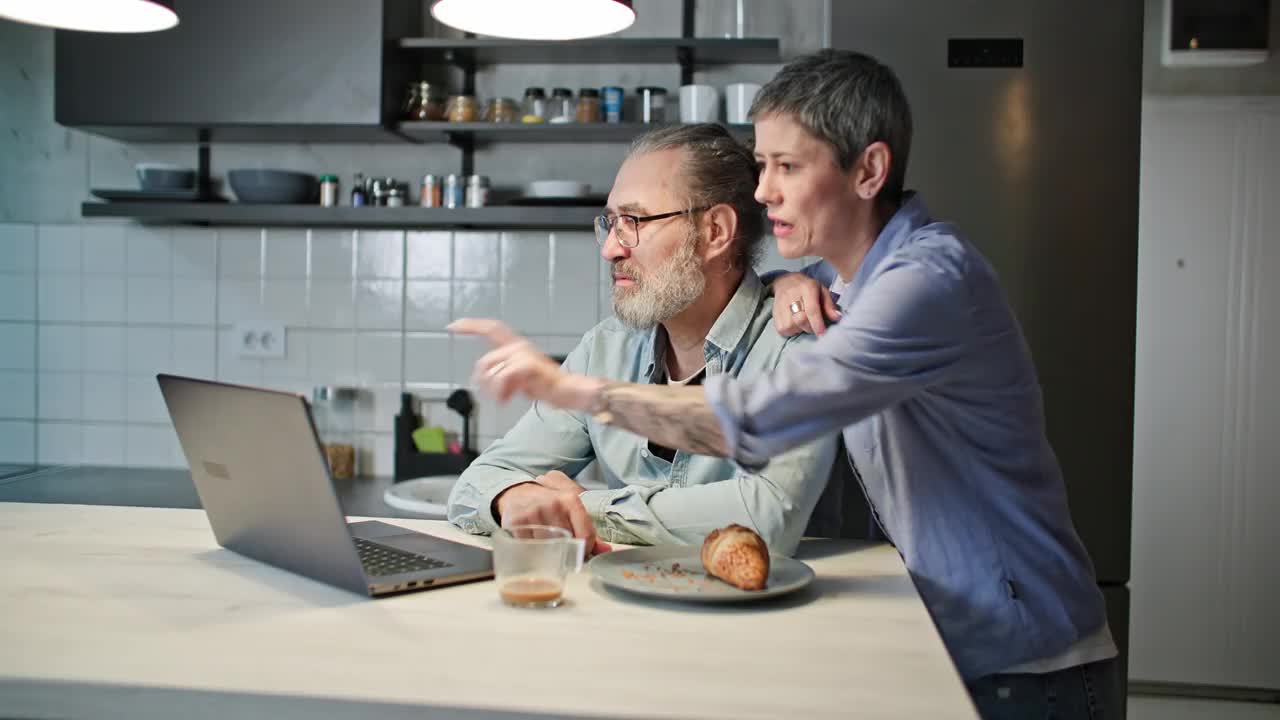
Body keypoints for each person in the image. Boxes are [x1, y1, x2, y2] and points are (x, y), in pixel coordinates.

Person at [451, 51, 1123, 719]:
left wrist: (582, 406)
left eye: (787, 167)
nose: (764, 191)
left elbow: (760, 419)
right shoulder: (833, 286)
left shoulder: (925, 283)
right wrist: (783, 282)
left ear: (869, 170)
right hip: (936, 644)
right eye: (763, 166)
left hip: (1025, 663)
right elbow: (752, 298)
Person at [446, 123, 838, 558]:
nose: (610, 249)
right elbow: (476, 485)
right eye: (610, 223)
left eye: (633, 221)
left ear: (715, 232)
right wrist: (512, 499)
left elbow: (768, 517)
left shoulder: (799, 341)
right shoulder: (605, 350)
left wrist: (575, 508)